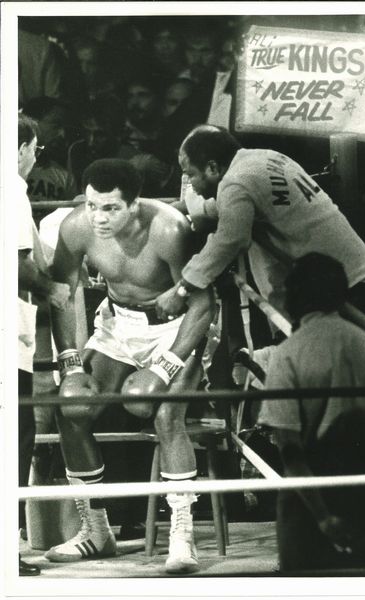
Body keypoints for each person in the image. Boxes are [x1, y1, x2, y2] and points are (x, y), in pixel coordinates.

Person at [47, 158, 215, 574]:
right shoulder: (76, 227)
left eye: (111, 208)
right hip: (119, 326)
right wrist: (70, 361)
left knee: (162, 412)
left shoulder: (169, 229)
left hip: (177, 330)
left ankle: (182, 534)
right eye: (92, 206)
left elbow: (203, 306)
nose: (99, 218)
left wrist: (166, 367)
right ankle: (96, 531)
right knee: (72, 407)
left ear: (135, 203)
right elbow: (61, 294)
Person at [156, 125, 365, 324]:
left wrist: (182, 289)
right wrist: (177, 209)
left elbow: (231, 240)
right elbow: (230, 208)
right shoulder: (263, 158)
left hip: (350, 293)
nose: (191, 185)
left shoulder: (236, 181)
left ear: (213, 167)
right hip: (361, 278)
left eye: (192, 175)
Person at [257, 252, 365, 572]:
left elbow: (289, 448)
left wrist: (322, 516)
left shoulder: (288, 354)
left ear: (295, 296)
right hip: (362, 491)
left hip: (308, 499)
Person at [17, 114, 71, 575]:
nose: (36, 159)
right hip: (8, 333)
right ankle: (7, 548)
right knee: (16, 437)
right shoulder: (12, 188)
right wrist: (53, 289)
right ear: (21, 148)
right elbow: (18, 264)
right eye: (34, 149)